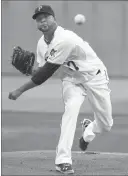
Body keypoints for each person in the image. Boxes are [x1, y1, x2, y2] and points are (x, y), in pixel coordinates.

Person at [9, 5, 113, 175]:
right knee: (70, 111)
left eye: (45, 16)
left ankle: (88, 130)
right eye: (38, 18)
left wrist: (19, 90)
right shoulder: (41, 44)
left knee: (106, 125)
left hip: (95, 77)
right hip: (71, 81)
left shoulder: (65, 39)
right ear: (36, 23)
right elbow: (42, 71)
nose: (42, 20)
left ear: (54, 18)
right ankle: (63, 161)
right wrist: (30, 70)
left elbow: (44, 74)